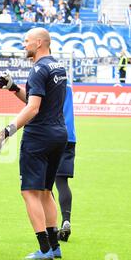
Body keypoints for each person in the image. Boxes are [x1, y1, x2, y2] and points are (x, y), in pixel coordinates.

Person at [0, 27, 67, 260]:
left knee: (29, 192)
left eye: (27, 41)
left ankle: (44, 249)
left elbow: (33, 108)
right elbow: (37, 100)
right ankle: (55, 247)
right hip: (58, 134)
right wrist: (13, 88)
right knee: (45, 191)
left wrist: (5, 132)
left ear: (40, 43)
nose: (24, 45)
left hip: (38, 136)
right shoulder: (58, 67)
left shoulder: (37, 70)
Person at [55, 81, 76, 242]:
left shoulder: (48, 81)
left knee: (45, 184)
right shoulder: (67, 85)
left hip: (53, 132)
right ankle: (66, 219)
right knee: (62, 182)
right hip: (70, 136)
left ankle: (52, 226)